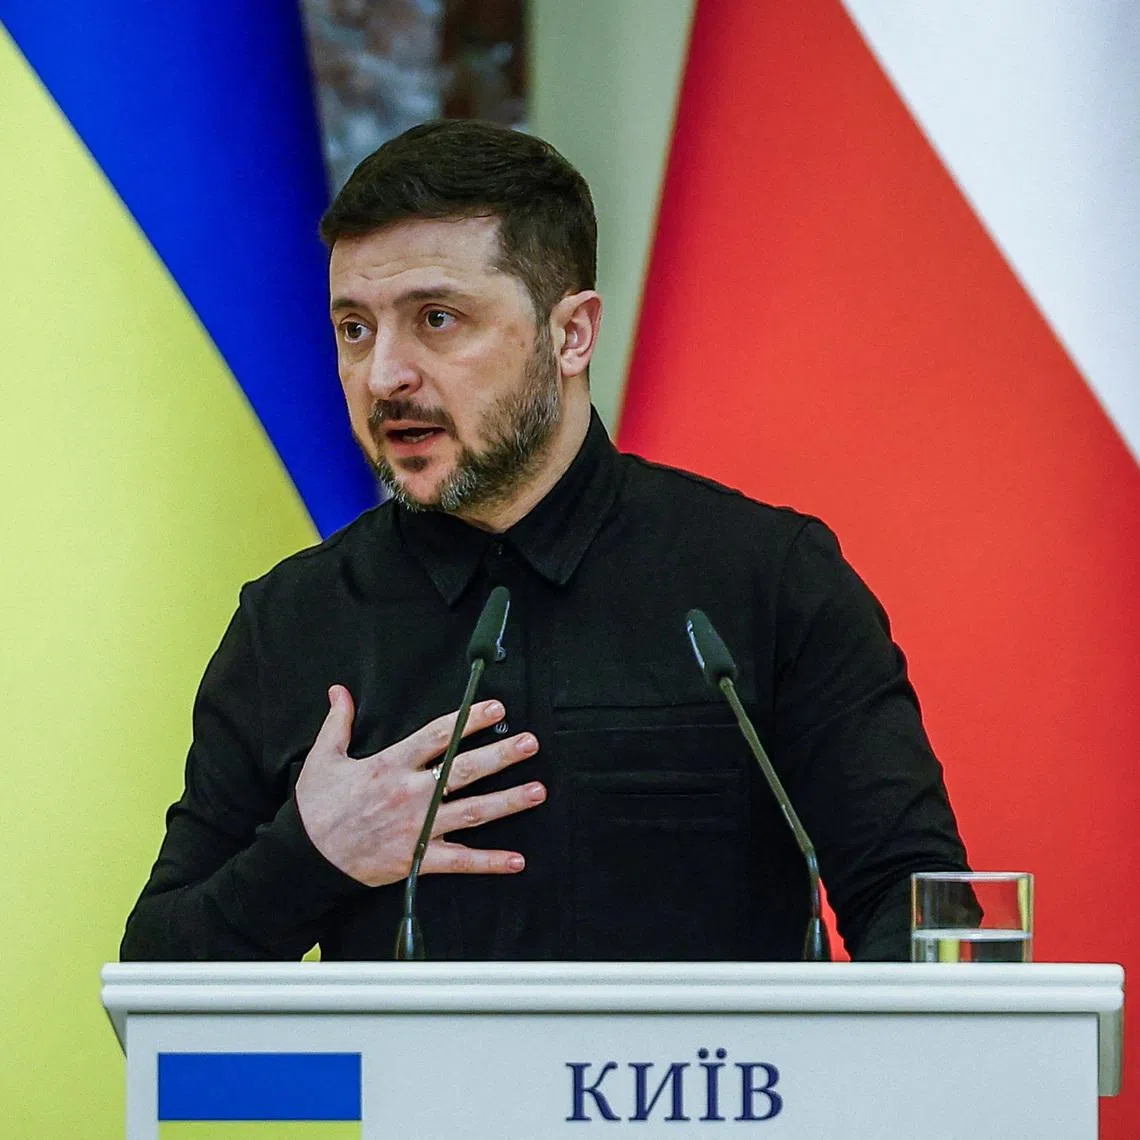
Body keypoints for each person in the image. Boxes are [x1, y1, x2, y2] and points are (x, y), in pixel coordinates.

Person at [120, 119, 968, 964]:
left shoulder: (766, 581)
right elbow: (156, 978)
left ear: (571, 334)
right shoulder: (293, 621)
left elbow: (921, 905)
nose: (383, 375)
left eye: (437, 319)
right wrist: (312, 855)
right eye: (355, 329)